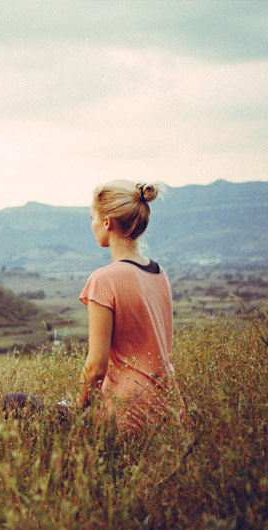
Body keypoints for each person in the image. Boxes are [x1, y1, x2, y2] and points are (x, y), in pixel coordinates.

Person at [78, 180, 185, 433]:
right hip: (171, 408)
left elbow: (95, 369)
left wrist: (80, 414)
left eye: (92, 217)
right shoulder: (159, 273)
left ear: (107, 222)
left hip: (127, 411)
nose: (91, 224)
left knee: (14, 402)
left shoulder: (104, 279)